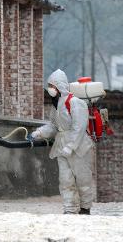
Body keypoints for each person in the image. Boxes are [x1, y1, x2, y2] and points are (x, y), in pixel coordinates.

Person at [31, 69, 94, 215]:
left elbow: (79, 127)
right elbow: (54, 125)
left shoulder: (75, 103)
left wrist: (71, 146)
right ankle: (69, 208)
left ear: (59, 86)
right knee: (65, 179)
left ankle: (85, 208)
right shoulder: (56, 105)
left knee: (83, 178)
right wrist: (40, 132)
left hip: (79, 147)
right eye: (49, 86)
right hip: (61, 145)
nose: (50, 89)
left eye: (52, 85)